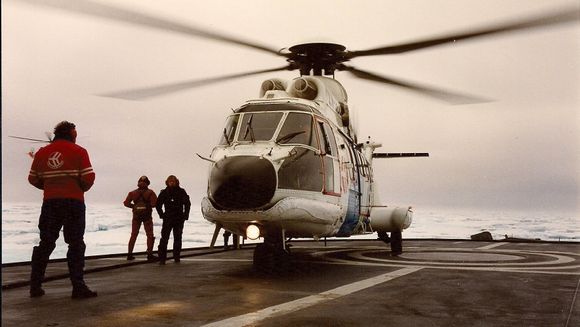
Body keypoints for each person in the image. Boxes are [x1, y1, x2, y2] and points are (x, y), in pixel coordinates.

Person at [28, 121, 98, 299]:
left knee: (46, 242)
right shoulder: (80, 151)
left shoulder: (42, 153)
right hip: (73, 203)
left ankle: (35, 286)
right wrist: (77, 188)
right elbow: (88, 178)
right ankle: (78, 287)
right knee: (75, 243)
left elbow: (32, 178)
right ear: (71, 134)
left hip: (50, 203)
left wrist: (50, 187)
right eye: (75, 134)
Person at [156, 175, 191, 264]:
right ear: (167, 182)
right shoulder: (164, 192)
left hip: (179, 218)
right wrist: (161, 215)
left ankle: (177, 257)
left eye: (173, 181)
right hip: (168, 218)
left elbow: (187, 204)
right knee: (164, 238)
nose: (171, 182)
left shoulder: (181, 192)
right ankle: (162, 259)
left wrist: (185, 215)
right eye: (170, 181)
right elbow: (158, 205)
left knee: (178, 238)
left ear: (176, 182)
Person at [124, 176, 158, 262]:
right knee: (149, 235)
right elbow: (154, 204)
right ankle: (149, 254)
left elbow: (126, 203)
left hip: (136, 216)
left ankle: (129, 254)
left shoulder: (132, 193)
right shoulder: (150, 192)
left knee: (134, 235)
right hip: (147, 217)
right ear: (148, 183)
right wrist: (147, 207)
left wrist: (134, 206)